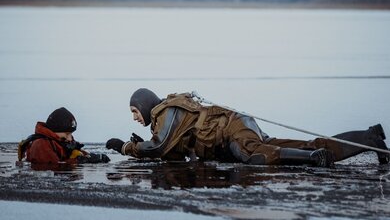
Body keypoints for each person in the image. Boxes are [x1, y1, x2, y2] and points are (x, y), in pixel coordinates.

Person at [106, 89, 389, 167]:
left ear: (145, 106)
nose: (134, 117)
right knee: (303, 143)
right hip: (238, 126)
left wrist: (125, 147)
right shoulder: (165, 118)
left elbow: (157, 147)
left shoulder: (167, 110)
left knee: (249, 155)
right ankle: (370, 138)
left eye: (134, 111)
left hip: (233, 131)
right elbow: (171, 151)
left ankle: (313, 160)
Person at [19, 107, 110, 165]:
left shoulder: (61, 141)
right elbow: (52, 165)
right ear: (54, 131)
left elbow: (75, 153)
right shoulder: (41, 144)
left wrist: (93, 157)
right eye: (67, 134)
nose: (70, 138)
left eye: (71, 134)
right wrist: (80, 161)